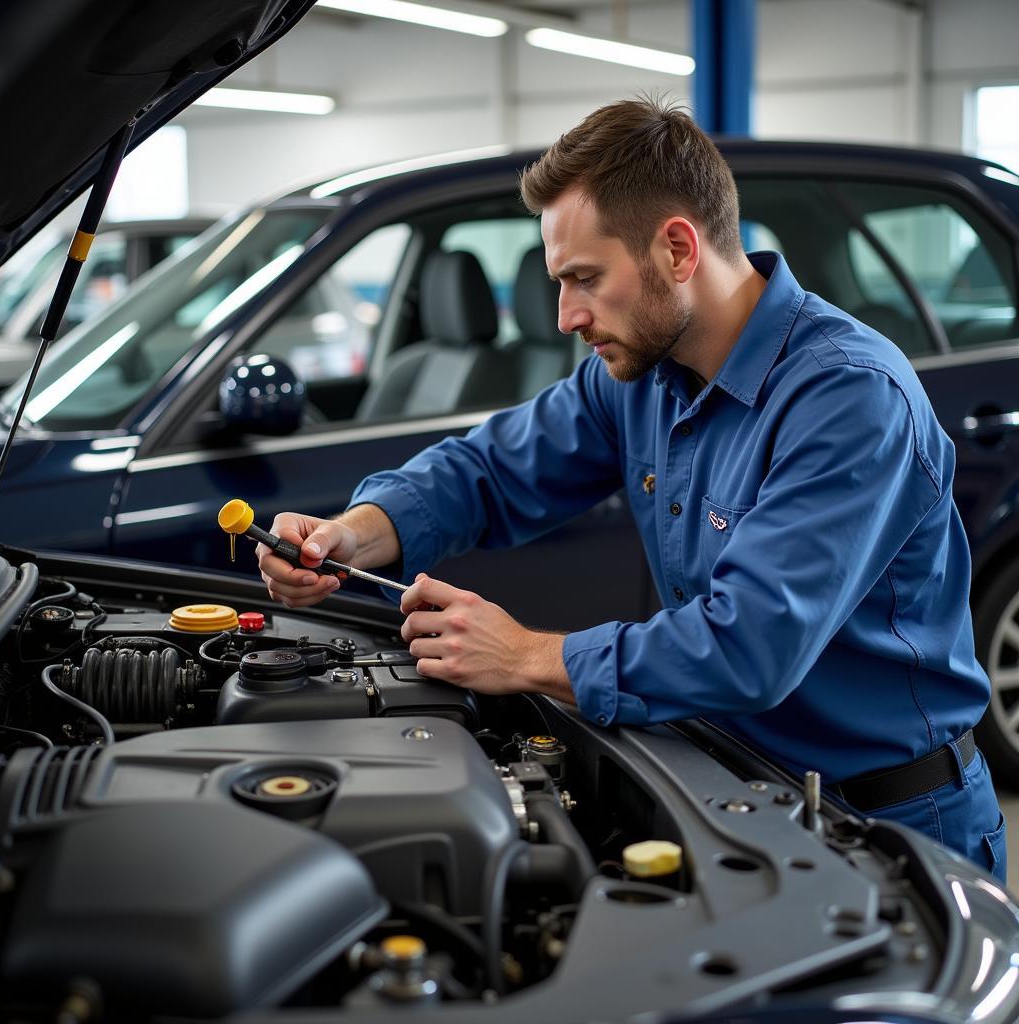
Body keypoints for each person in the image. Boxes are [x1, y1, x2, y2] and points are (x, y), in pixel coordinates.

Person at [257, 97, 1006, 881]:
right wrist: (356, 533)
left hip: (895, 837)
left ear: (677, 249)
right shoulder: (643, 376)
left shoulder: (848, 399)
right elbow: (490, 469)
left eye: (585, 278)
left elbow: (746, 646)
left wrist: (525, 655)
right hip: (739, 795)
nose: (565, 314)